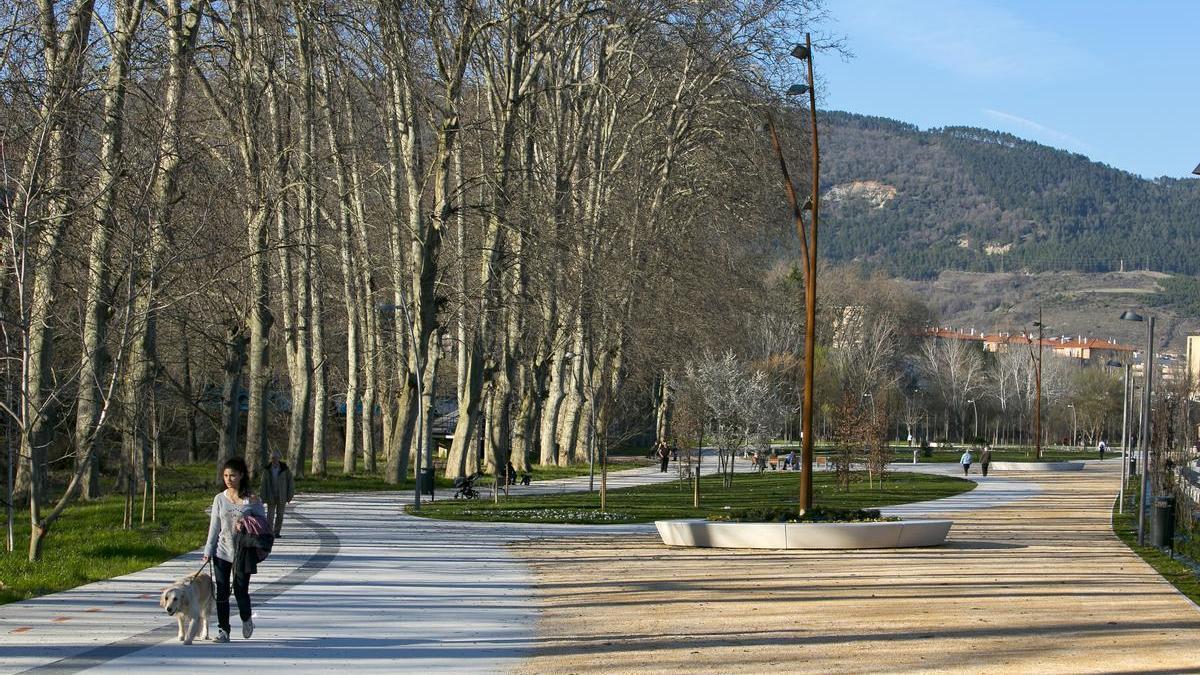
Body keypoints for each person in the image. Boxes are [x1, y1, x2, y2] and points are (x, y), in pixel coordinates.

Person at [203, 457, 266, 643]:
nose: (228, 479)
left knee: (240, 591)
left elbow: (263, 525)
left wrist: (246, 522)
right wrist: (208, 550)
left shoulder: (252, 500)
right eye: (225, 475)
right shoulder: (219, 499)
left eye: (232, 475)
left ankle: (246, 619)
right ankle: (224, 631)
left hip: (243, 551)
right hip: (222, 551)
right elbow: (214, 527)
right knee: (221, 593)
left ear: (241, 476)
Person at [260, 450, 294, 538]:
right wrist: (263, 497)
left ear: (279, 458)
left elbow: (290, 483)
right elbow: (263, 484)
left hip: (282, 496)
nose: (274, 460)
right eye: (272, 458)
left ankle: (276, 532)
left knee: (280, 515)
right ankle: (269, 532)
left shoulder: (284, 469)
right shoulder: (267, 470)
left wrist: (290, 496)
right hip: (271, 496)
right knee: (270, 516)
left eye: (276, 458)